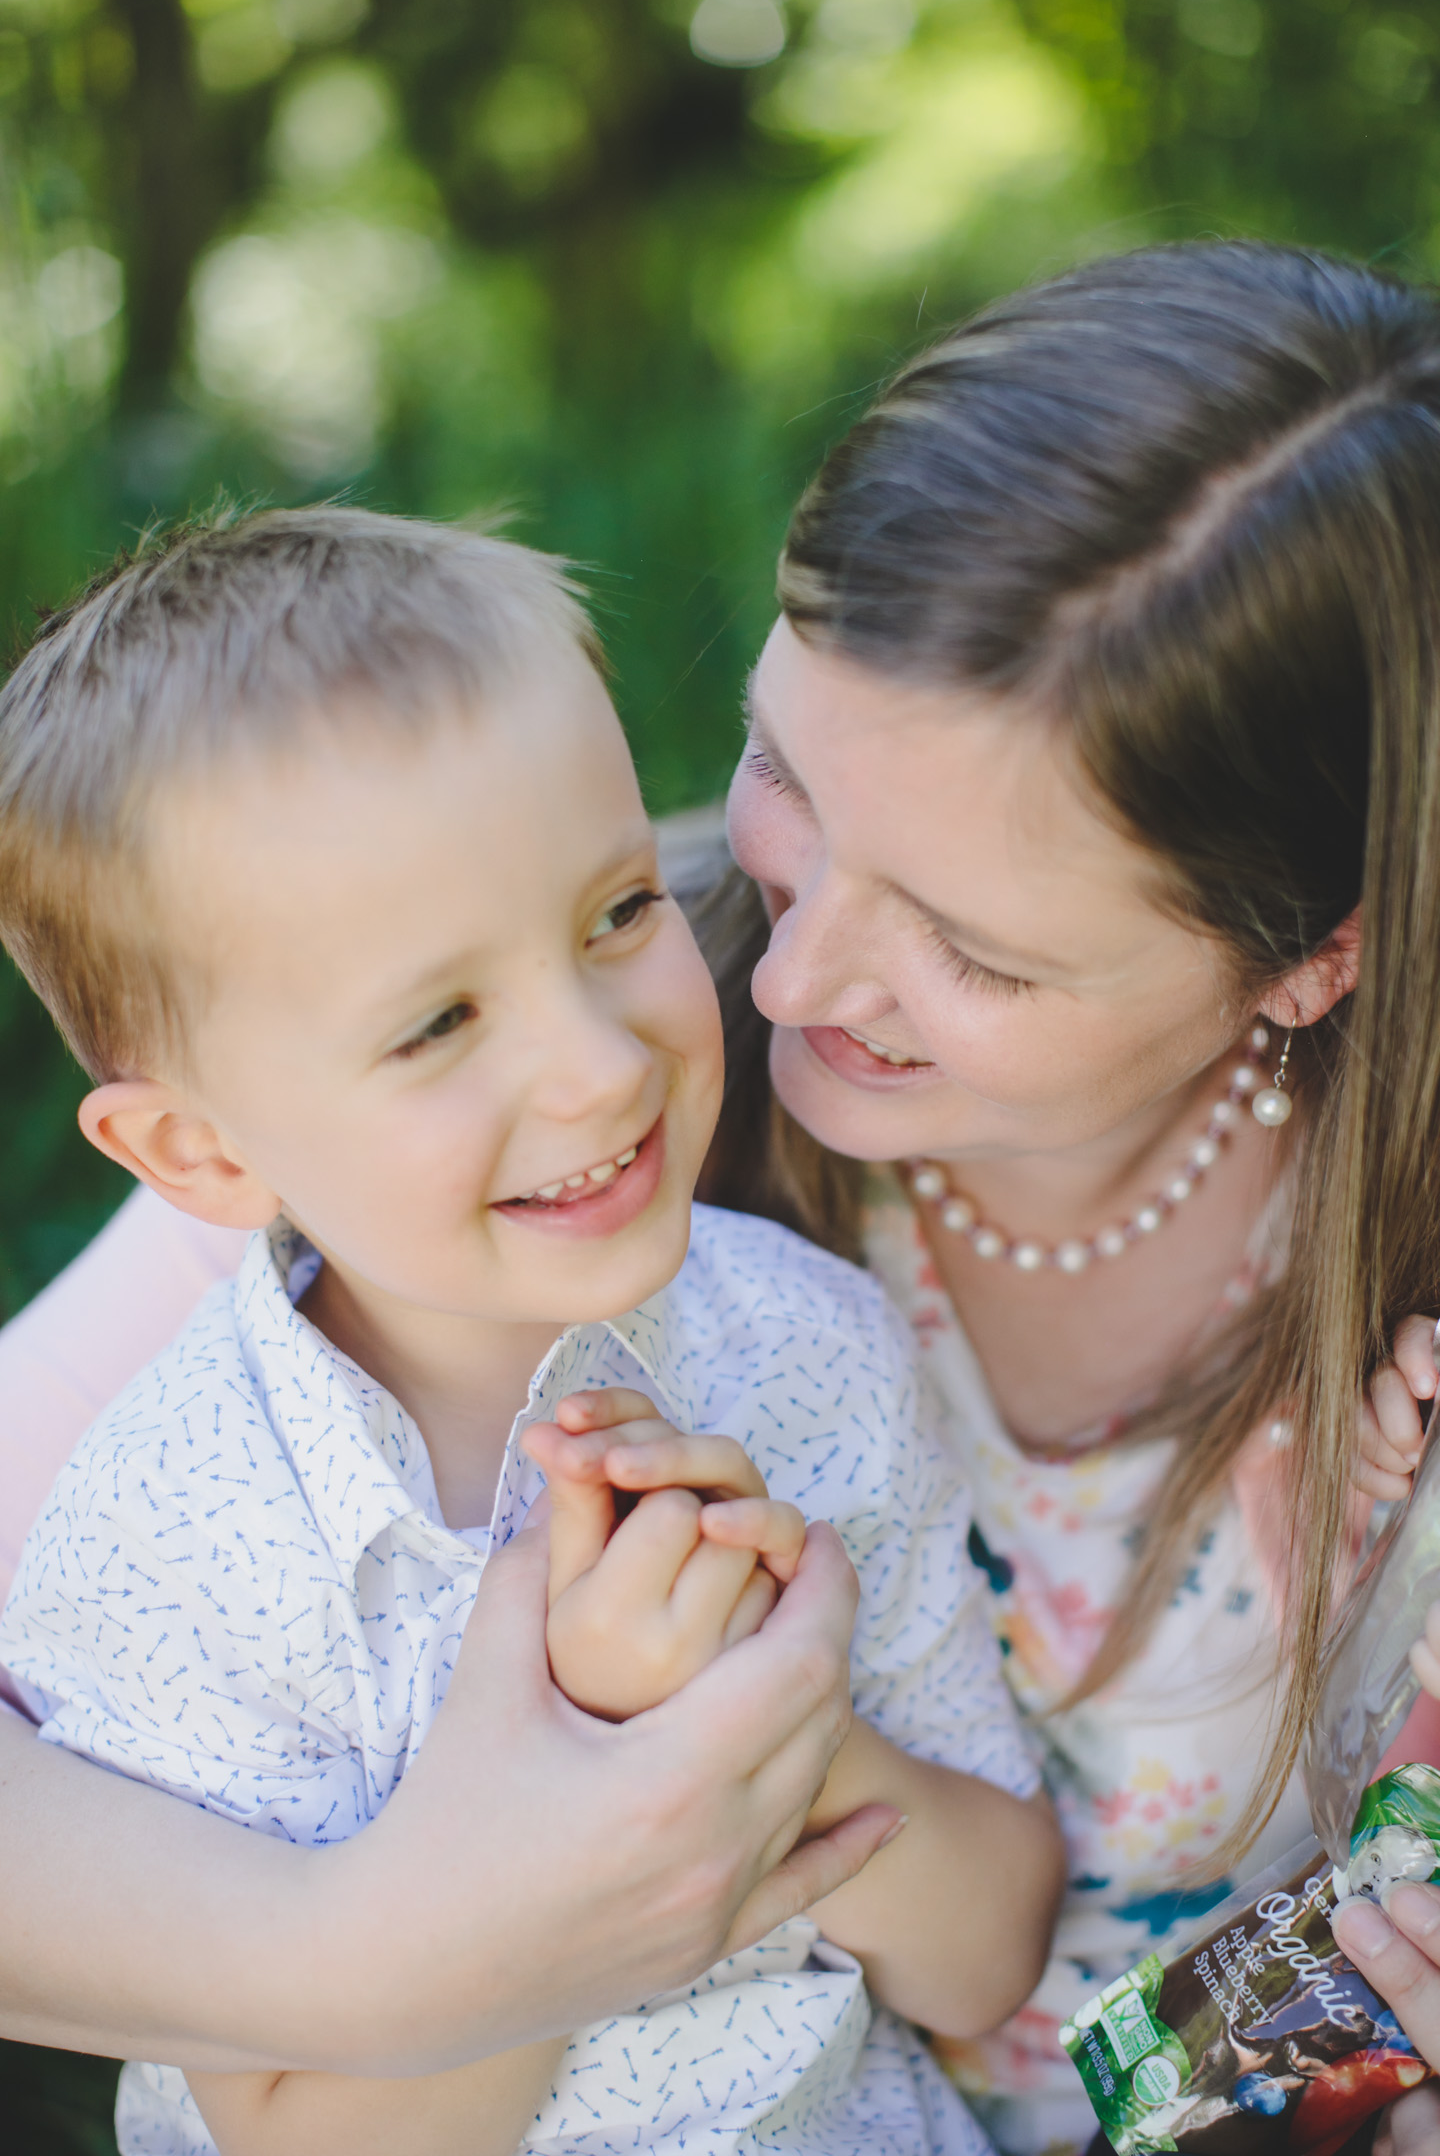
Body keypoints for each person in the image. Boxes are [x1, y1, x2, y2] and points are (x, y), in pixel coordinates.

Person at [10, 238, 1440, 2156]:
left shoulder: (1354, 1306)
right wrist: (411, 1936)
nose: (776, 979)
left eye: (969, 949)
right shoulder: (453, 1090)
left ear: (1306, 961)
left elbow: (1171, 2002)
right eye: (787, 771)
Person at [0, 507, 1060, 2156]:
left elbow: (985, 1953)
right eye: (438, 1022)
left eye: (621, 913)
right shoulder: (177, 1536)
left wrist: (787, 1714)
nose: (597, 1066)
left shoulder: (810, 1347)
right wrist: (620, 1771)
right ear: (200, 1155)